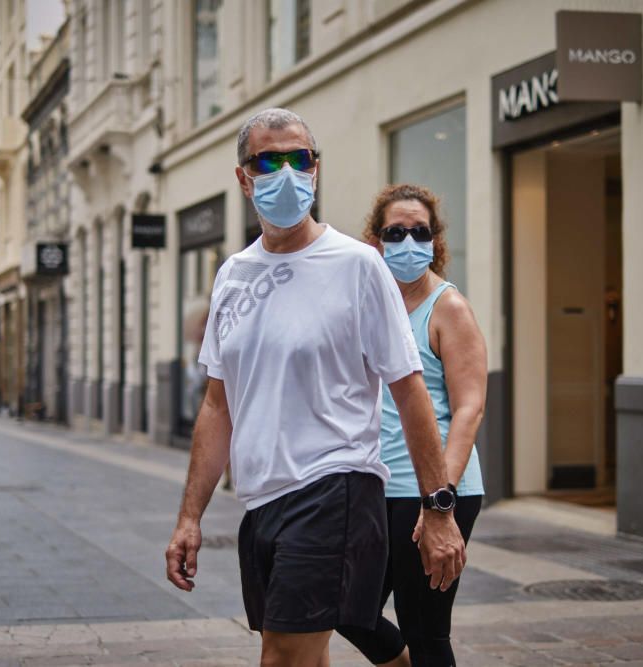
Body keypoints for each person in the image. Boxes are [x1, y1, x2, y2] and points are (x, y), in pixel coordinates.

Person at [165, 108, 467, 667]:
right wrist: (190, 517)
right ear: (243, 177)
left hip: (335, 488)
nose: (286, 172)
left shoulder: (358, 266)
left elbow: (409, 390)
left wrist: (439, 509)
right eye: (268, 160)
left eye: (298, 159)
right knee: (307, 651)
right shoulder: (233, 275)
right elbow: (217, 404)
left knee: (284, 657)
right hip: (261, 500)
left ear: (315, 170)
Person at [336, 185, 488, 667]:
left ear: (435, 240)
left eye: (418, 231)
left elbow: (469, 408)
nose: (407, 242)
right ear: (376, 240)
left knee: (424, 627)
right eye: (395, 232)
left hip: (433, 488)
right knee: (345, 606)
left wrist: (438, 497)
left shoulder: (448, 308)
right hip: (373, 487)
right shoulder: (368, 303)